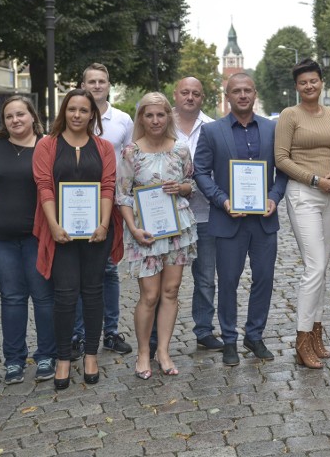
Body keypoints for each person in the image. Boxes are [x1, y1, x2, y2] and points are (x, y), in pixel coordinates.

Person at [194, 73, 288, 367]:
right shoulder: (212, 131)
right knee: (229, 282)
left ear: (255, 93)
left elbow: (283, 169)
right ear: (228, 95)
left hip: (263, 221)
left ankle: (254, 334)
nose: (243, 95)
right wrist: (222, 200)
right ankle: (230, 340)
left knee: (263, 280)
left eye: (247, 90)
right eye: (237, 91)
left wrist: (274, 196)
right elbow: (200, 172)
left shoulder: (272, 130)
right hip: (228, 220)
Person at [32, 89, 124, 390]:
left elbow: (108, 186)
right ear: (64, 111)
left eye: (84, 111)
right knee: (65, 294)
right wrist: (54, 225)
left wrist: (103, 224)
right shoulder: (47, 145)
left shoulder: (104, 147)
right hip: (62, 233)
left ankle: (90, 355)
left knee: (94, 292)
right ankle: (62, 358)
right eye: (72, 109)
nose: (77, 115)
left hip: (96, 232)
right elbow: (44, 186)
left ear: (92, 115)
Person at [117, 92, 198, 379]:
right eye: (149, 115)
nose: (155, 120)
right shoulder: (131, 152)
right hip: (145, 231)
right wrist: (133, 229)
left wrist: (182, 188)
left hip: (177, 229)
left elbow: (191, 182)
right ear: (141, 118)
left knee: (170, 291)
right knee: (149, 295)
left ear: (168, 117)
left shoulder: (180, 150)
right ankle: (143, 353)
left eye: (160, 115)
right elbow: (123, 196)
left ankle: (163, 350)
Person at [274, 58, 330, 369]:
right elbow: (281, 158)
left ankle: (317, 334)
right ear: (297, 87)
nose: (309, 86)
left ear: (321, 82)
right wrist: (315, 179)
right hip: (303, 194)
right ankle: (302, 340)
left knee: (322, 266)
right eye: (303, 82)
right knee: (314, 267)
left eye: (314, 80)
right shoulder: (290, 115)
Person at [0, 96, 55, 384]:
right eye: (9, 116)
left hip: (36, 236)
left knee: (43, 298)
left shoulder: (47, 145)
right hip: (1, 237)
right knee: (11, 299)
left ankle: (46, 356)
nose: (15, 120)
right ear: (4, 122)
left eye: (20, 114)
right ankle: (14, 360)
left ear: (32, 116)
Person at [72, 63, 133, 359]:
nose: (97, 86)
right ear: (83, 84)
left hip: (111, 203)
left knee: (108, 270)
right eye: (91, 81)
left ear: (109, 85)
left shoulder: (121, 120)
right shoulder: (73, 115)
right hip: (74, 205)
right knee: (78, 270)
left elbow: (130, 160)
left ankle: (110, 330)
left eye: (102, 81)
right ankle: (79, 333)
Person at [172, 77, 222, 351]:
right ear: (175, 94)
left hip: (204, 214)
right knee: (166, 279)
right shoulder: (160, 123)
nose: (190, 97)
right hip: (167, 216)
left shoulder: (212, 127)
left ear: (202, 98)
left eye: (196, 94)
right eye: (185, 93)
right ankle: (157, 335)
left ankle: (203, 329)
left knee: (205, 277)